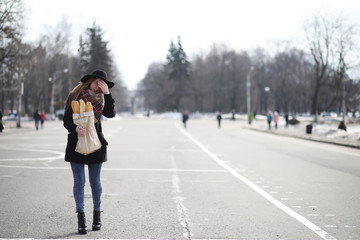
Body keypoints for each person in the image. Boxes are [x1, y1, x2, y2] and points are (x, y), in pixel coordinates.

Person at [63, 70, 116, 234]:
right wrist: (75, 128)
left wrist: (107, 93)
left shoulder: (102, 98)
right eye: (97, 83)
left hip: (95, 143)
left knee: (95, 182)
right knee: (79, 181)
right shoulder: (75, 95)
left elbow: (110, 114)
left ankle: (97, 217)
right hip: (76, 143)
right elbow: (66, 120)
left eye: (103, 84)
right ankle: (81, 219)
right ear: (90, 82)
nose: (99, 87)